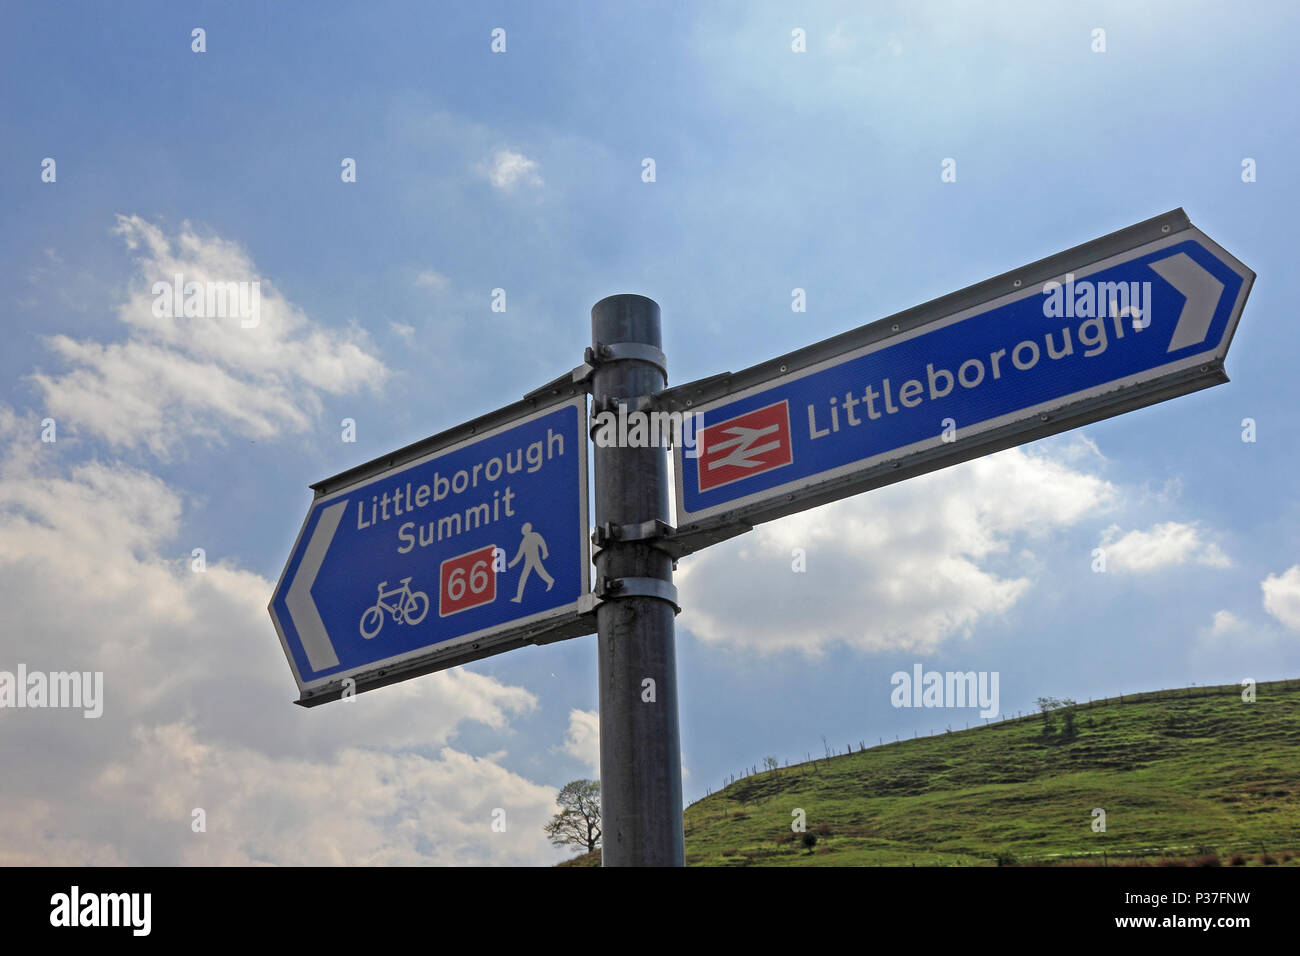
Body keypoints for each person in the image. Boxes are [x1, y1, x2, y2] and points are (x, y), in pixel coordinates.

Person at [508, 522, 554, 602]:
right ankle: (519, 597)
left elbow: (542, 543)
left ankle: (550, 581)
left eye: (524, 529)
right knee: (527, 576)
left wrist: (545, 552)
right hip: (528, 561)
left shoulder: (535, 535)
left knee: (537, 573)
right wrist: (511, 564)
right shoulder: (524, 541)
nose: (523, 531)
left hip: (534, 559)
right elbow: (519, 554)